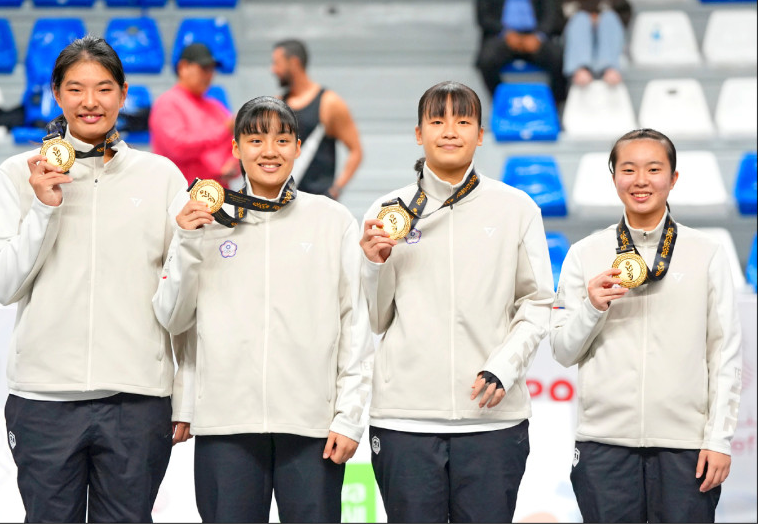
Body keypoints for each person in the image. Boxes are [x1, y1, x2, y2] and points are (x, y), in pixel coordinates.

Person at [0, 35, 188, 523]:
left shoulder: (161, 176)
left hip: (137, 399)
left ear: (123, 92)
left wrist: (189, 390)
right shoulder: (17, 174)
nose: (90, 102)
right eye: (75, 89)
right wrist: (43, 207)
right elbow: (2, 285)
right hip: (44, 399)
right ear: (56, 94)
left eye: (102, 88)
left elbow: (185, 292)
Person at [153, 96, 374, 523]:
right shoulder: (205, 219)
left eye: (282, 139)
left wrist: (349, 417)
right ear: (235, 148)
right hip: (226, 424)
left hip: (311, 427)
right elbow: (173, 318)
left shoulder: (332, 220)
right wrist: (187, 242)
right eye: (255, 140)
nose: (269, 151)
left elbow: (356, 326)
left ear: (297, 145)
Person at [359, 81, 554, 522]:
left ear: (480, 134)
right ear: (418, 133)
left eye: (463, 121)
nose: (450, 131)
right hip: (404, 418)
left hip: (492, 419)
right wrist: (373, 265)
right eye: (438, 120)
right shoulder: (387, 210)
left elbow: (538, 303)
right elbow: (376, 318)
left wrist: (505, 366)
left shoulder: (516, 207)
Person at [550, 128, 742, 523]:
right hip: (603, 446)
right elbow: (562, 351)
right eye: (628, 169)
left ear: (672, 179)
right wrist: (591, 305)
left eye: (654, 169)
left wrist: (719, 439)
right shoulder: (585, 254)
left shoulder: (707, 254)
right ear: (614, 178)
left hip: (686, 448)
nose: (641, 180)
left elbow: (724, 355)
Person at [271, 39, 362, 200]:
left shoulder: (329, 103)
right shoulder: (277, 104)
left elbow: (356, 151)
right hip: (282, 203)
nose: (273, 70)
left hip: (318, 205)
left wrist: (336, 190)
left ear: (294, 63)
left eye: (277, 63)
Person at [150, 42, 239, 187]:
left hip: (217, 197)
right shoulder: (168, 103)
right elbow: (178, 147)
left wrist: (233, 165)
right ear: (183, 67)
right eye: (204, 68)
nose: (209, 75)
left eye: (211, 69)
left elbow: (234, 148)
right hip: (181, 198)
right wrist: (224, 130)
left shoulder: (216, 107)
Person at [474, 0, 567, 103]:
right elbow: (484, 17)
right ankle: (502, 102)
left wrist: (538, 36)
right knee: (486, 60)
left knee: (560, 58)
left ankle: (554, 105)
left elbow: (551, 15)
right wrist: (506, 34)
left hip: (535, 37)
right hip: (502, 35)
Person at [560, 0, 632, 87]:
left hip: (608, 44)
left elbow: (624, 22)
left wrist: (598, 21)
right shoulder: (566, 0)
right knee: (580, 19)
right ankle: (581, 68)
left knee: (609, 17)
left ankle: (609, 67)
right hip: (575, 48)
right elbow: (557, 27)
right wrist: (588, 23)